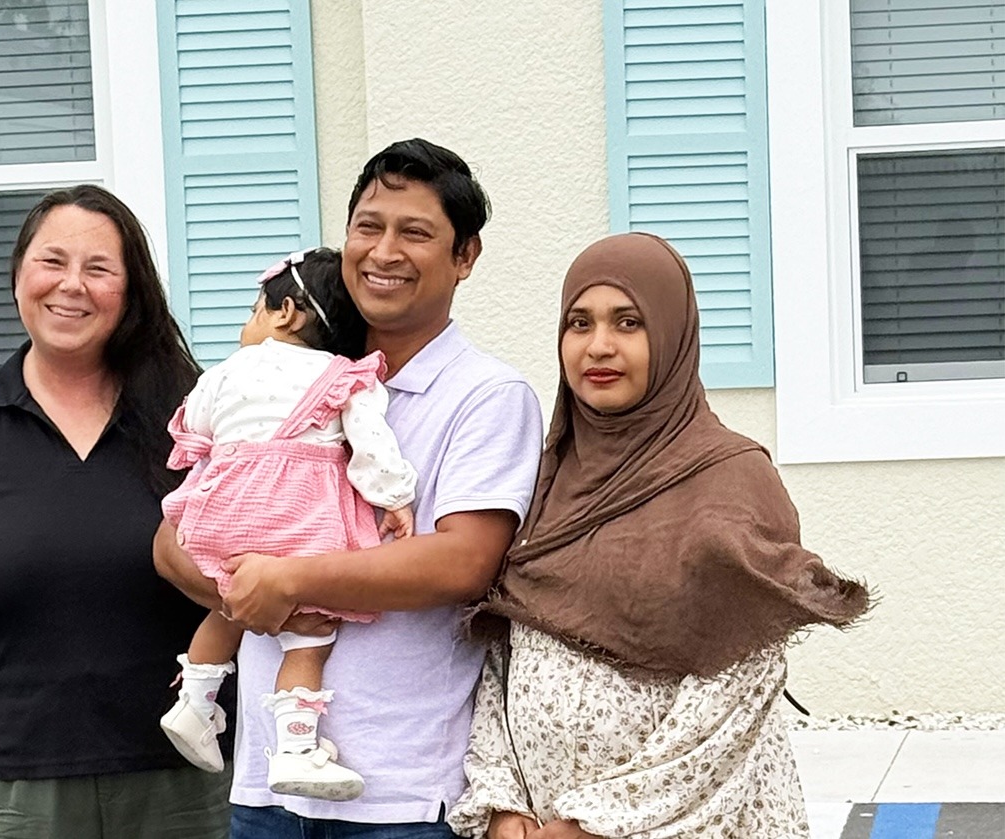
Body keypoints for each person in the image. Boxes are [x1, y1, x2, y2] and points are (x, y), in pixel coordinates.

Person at [154, 138, 545, 837]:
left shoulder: (487, 394)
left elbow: (462, 561)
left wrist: (289, 581)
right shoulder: (282, 380)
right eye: (368, 226)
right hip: (266, 791)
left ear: (465, 256)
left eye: (415, 232)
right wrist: (251, 591)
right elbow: (172, 539)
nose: (383, 251)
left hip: (400, 797)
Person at [448, 232, 871, 839]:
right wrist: (500, 799)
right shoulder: (547, 478)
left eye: (629, 323)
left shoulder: (730, 478)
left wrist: (596, 825)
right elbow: (504, 651)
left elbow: (736, 692)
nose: (599, 346)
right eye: (579, 323)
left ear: (672, 336)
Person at [0, 185, 232, 839]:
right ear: (19, 274)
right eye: (52, 261)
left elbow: (256, 564)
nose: (72, 285)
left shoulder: (198, 419)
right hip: (5, 788)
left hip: (182, 777)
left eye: (98, 268)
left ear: (130, 291)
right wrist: (23, 667)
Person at [158, 246, 418, 803]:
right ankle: (297, 749)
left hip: (224, 513)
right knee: (309, 633)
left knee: (230, 602)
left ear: (287, 312)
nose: (246, 324)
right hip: (295, 520)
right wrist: (395, 498)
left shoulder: (226, 371)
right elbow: (371, 445)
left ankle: (194, 703)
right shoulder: (342, 377)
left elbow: (194, 430)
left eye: (254, 310)